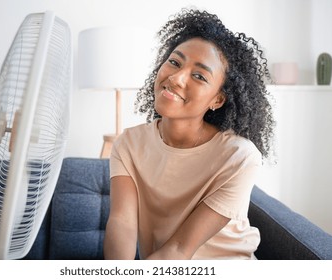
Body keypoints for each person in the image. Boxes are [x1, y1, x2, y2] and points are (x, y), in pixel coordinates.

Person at [104, 8, 274, 260]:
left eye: (199, 76)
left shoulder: (239, 156)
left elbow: (180, 248)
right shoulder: (129, 143)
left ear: (217, 99)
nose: (176, 78)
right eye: (174, 62)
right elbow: (122, 223)